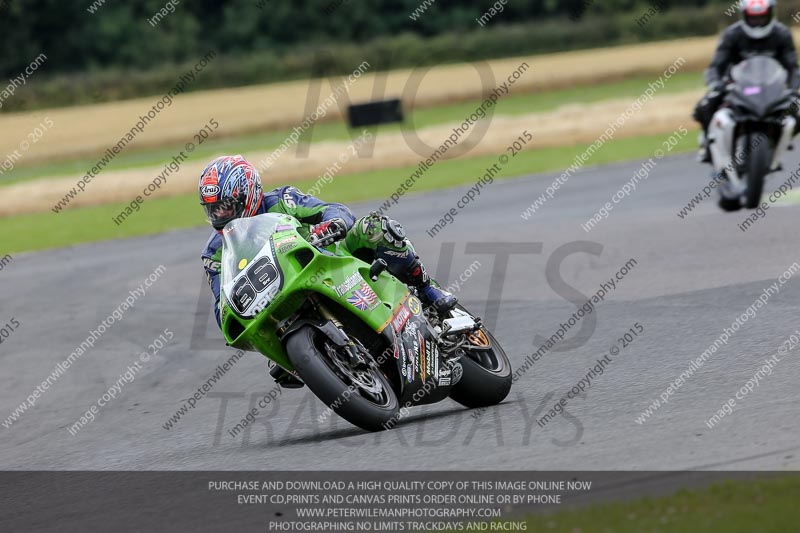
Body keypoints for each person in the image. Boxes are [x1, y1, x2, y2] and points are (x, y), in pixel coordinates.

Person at [199, 155, 456, 385]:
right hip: (279, 297)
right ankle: (304, 359)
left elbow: (333, 210)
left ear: (248, 193)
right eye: (213, 209)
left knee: (375, 228)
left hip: (332, 261)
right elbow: (222, 300)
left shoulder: (282, 200)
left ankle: (427, 289)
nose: (220, 215)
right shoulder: (214, 252)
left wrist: (332, 224)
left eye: (226, 206)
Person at [693, 0, 800, 162]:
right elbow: (716, 66)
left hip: (772, 88)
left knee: (797, 108)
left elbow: (792, 67)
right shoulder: (732, 34)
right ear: (744, 16)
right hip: (736, 87)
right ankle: (709, 144)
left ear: (770, 14)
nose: (757, 23)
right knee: (705, 107)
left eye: (761, 18)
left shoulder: (781, 34)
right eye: (753, 18)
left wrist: (793, 89)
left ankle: (779, 140)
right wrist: (716, 84)